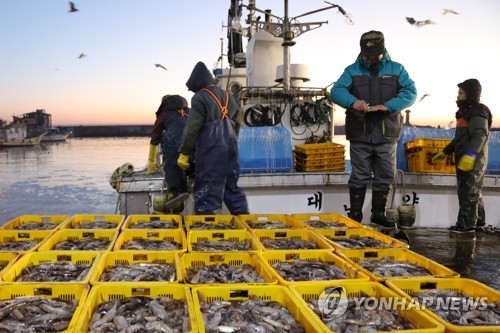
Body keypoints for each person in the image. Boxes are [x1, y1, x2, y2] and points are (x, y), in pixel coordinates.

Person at [330, 30, 417, 228]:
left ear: (383, 49)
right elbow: (336, 91)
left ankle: (379, 213)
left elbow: (410, 92)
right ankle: (355, 214)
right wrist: (354, 102)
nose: (371, 58)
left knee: (386, 175)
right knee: (359, 176)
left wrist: (389, 106)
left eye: (375, 54)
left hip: (387, 135)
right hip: (360, 133)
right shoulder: (351, 70)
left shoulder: (397, 69)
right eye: (367, 54)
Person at [177, 61, 249, 215]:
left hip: (211, 150)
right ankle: (245, 222)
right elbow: (237, 123)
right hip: (231, 148)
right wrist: (230, 139)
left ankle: (207, 229)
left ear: (198, 82)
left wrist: (184, 152)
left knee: (208, 191)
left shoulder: (200, 98)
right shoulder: (229, 96)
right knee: (232, 187)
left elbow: (192, 129)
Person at [432, 79, 492, 233]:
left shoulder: (478, 111)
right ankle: (479, 221)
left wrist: (471, 154)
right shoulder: (465, 113)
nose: (457, 96)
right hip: (464, 158)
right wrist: (445, 151)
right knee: (472, 189)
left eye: (461, 93)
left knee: (469, 190)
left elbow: (480, 135)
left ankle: (466, 225)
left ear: (470, 94)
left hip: (474, 159)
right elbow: (460, 138)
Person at [147, 94, 191, 213]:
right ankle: (189, 184)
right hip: (196, 150)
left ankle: (177, 192)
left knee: (172, 165)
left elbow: (155, 138)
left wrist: (151, 161)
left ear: (164, 104)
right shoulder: (190, 112)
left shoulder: (163, 115)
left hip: (176, 150)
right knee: (190, 166)